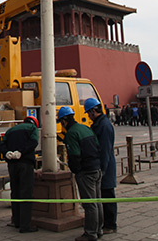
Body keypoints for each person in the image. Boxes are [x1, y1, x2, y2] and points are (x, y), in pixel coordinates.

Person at [58, 106, 103, 241]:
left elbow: (75, 155)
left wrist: (76, 169)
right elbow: (97, 145)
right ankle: (99, 229)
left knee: (89, 204)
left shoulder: (72, 133)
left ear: (64, 121)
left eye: (61, 122)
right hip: (96, 168)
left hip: (86, 171)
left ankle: (90, 233)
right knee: (98, 201)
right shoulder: (85, 128)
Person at [0, 116, 40, 234]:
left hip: (12, 165)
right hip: (25, 164)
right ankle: (25, 225)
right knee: (26, 193)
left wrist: (7, 153)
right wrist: (21, 152)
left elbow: (2, 144)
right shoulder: (33, 128)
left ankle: (16, 221)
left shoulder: (11, 130)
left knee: (15, 192)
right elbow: (34, 142)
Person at [85, 98, 117, 235]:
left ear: (93, 111)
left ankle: (111, 224)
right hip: (101, 165)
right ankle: (104, 223)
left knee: (107, 195)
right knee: (102, 195)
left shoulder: (104, 126)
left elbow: (105, 149)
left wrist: (102, 169)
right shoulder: (98, 124)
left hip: (106, 165)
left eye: (88, 113)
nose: (88, 115)